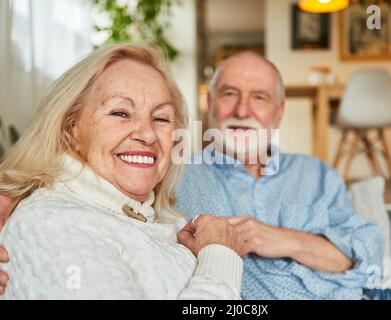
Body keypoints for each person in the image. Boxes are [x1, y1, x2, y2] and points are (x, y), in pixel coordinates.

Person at [0, 44, 243, 299]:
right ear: (71, 130)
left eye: (161, 118)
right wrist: (220, 257)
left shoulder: (156, 218)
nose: (148, 134)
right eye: (120, 113)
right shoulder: (53, 224)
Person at [174, 51, 391, 300]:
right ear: (210, 102)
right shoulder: (178, 179)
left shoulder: (317, 173)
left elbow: (367, 250)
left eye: (259, 97)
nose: (242, 110)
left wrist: (287, 241)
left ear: (279, 111)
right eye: (229, 94)